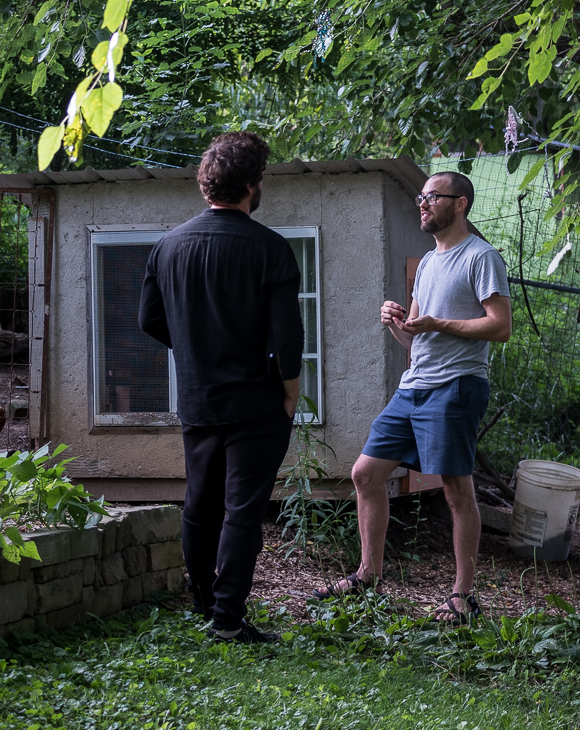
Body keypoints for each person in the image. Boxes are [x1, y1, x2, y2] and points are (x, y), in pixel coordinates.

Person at [315, 170, 511, 623]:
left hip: (456, 386)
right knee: (365, 474)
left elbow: (500, 326)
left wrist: (438, 323)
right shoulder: (427, 262)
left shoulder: (480, 257)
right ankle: (368, 575)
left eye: (431, 197)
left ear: (459, 203)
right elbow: (416, 341)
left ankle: (462, 598)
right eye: (420, 197)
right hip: (414, 387)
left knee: (457, 489)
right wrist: (397, 325)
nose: (421, 204)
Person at [138, 131, 303, 645]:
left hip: (198, 398)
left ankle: (205, 604)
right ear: (252, 185)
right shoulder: (271, 249)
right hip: (256, 402)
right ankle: (228, 618)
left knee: (200, 504)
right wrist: (290, 390)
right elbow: (287, 336)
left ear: (205, 185)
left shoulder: (167, 247)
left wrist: (193, 347)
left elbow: (149, 320)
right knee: (243, 510)